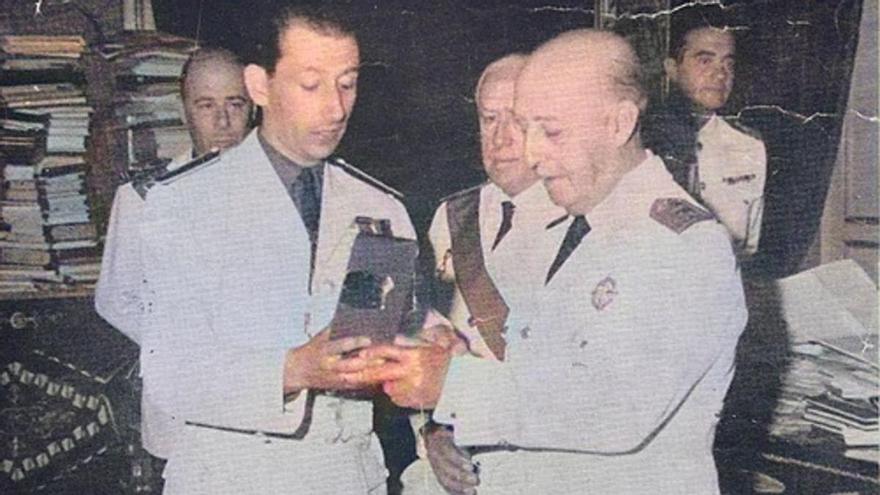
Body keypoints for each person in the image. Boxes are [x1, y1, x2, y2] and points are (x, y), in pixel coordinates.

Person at [368, 29, 747, 494]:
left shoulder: (682, 246)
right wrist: (458, 369)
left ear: (619, 123)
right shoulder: (587, 229)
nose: (531, 154)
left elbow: (616, 407)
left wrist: (455, 384)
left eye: (551, 131)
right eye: (528, 130)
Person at [99, 5, 415, 494]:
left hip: (345, 475)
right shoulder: (181, 204)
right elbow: (171, 375)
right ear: (260, 86)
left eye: (347, 83)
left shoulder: (380, 206)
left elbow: (389, 328)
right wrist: (293, 369)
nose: (335, 108)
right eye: (311, 84)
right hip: (233, 475)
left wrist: (426, 347)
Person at [400, 53, 563, 494]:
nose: (500, 138)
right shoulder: (452, 216)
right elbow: (422, 335)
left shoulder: (582, 222)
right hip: (453, 473)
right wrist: (430, 432)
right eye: (488, 119)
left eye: (516, 120)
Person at [95, 46, 252, 462]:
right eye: (206, 106)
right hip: (186, 409)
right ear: (185, 111)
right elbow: (115, 299)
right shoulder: (144, 198)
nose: (222, 121)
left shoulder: (284, 193)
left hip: (266, 409)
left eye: (235, 104)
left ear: (253, 107)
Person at [642, 13, 767, 258]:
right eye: (705, 61)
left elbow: (749, 247)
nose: (720, 74)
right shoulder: (641, 141)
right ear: (672, 68)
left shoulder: (748, 146)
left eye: (728, 64)